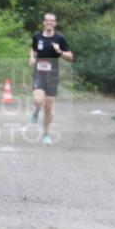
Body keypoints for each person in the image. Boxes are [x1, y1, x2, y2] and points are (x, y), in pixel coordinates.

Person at [29, 12, 73, 144]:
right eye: (47, 20)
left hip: (53, 75)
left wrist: (60, 51)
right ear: (43, 22)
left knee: (48, 107)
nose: (49, 23)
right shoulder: (37, 36)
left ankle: (46, 134)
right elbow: (33, 48)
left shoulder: (60, 38)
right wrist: (31, 57)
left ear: (55, 23)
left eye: (52, 21)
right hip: (39, 73)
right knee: (37, 100)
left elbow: (71, 57)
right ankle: (36, 110)